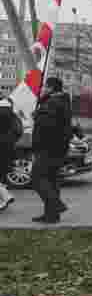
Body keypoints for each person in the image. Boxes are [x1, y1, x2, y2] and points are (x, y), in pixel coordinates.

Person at [30, 77, 72, 223]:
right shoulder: (62, 101)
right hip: (58, 149)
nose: (43, 89)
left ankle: (56, 205)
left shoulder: (53, 103)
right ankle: (51, 215)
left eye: (45, 87)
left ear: (52, 88)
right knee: (52, 181)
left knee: (36, 178)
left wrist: (37, 116)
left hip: (48, 149)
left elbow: (49, 127)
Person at [0, 97, 21, 211]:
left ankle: (5, 196)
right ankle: (4, 197)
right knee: (2, 174)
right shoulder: (11, 113)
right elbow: (19, 130)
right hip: (8, 147)